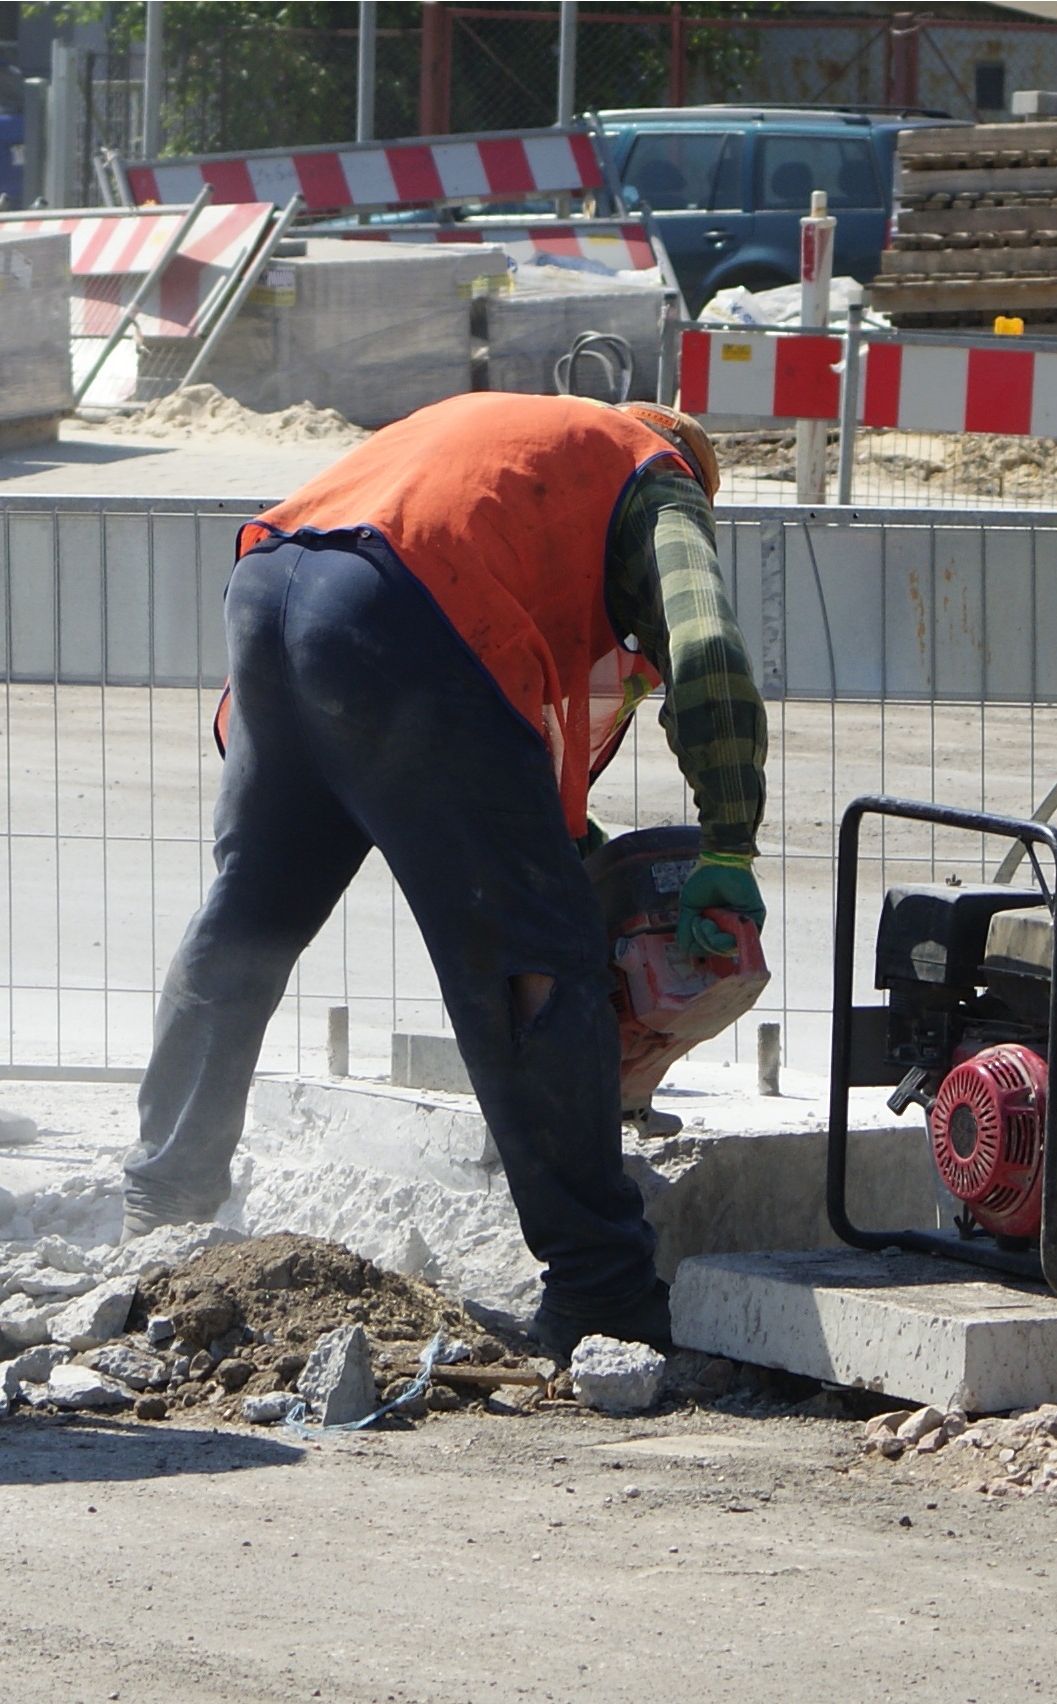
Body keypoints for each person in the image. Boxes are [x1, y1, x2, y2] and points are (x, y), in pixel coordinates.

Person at [125, 393, 768, 1359]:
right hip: (412, 611)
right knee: (534, 964)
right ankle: (601, 1288)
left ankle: (163, 1216)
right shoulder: (658, 479)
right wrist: (727, 842)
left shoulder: (514, 449)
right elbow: (706, 650)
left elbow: (519, 750)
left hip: (276, 592)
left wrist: (565, 850)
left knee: (246, 923)